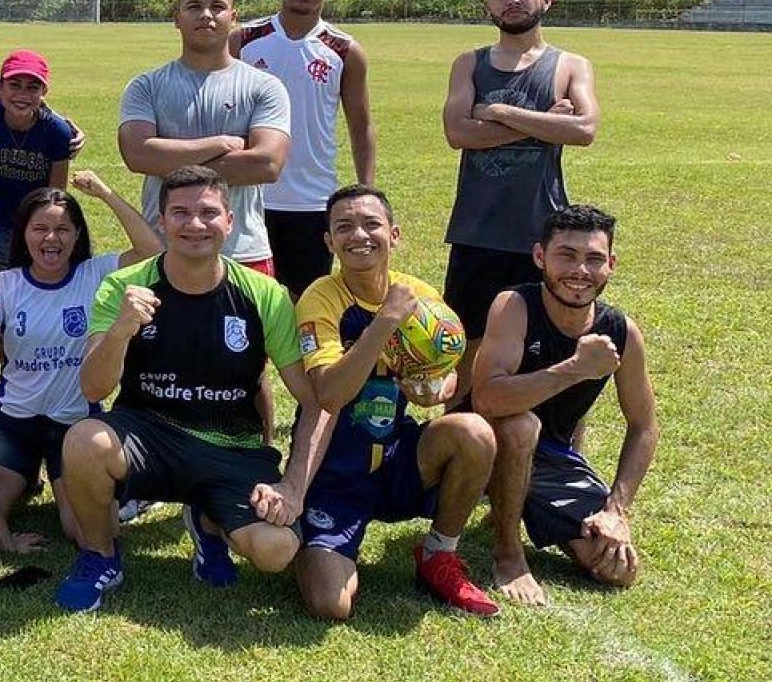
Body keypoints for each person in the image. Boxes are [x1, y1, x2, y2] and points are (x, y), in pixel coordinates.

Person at [57, 167, 324, 611]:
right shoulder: (125, 286)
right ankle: (100, 557)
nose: (194, 224)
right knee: (84, 441)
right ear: (161, 221)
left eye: (208, 212)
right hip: (149, 435)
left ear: (230, 221)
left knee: (276, 551)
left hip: (230, 446)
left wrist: (293, 485)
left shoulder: (265, 294)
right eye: (180, 212)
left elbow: (314, 401)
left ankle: (207, 518)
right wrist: (122, 329)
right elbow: (92, 385)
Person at [291, 185, 500, 620]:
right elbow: (329, 394)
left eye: (371, 224)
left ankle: (438, 553)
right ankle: (307, 537)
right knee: (332, 604)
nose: (358, 235)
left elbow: (448, 373)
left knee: (473, 432)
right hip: (335, 473)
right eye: (343, 227)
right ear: (329, 241)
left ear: (395, 234)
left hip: (397, 456)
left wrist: (435, 388)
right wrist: (385, 321)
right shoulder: (321, 298)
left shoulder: (418, 293)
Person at [0, 174, 162, 553]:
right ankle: (22, 474)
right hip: (15, 422)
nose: (51, 239)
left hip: (73, 427)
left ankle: (127, 490)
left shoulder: (95, 274)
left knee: (86, 534)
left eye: (63, 229)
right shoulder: (7, 284)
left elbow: (152, 250)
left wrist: (105, 192)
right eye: (40, 229)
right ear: (24, 234)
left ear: (77, 235)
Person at [470, 204, 656, 607]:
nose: (579, 271)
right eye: (566, 256)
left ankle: (518, 503)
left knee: (615, 567)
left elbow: (643, 426)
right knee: (521, 426)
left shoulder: (621, 331)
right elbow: (487, 399)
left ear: (611, 264)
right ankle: (508, 554)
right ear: (540, 257)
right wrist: (574, 369)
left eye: (593, 259)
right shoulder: (514, 306)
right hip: (481, 447)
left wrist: (616, 511)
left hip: (551, 458)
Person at [442, 0, 599, 400]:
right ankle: (460, 449)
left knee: (548, 349)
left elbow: (584, 129)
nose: (513, 1)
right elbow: (458, 133)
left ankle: (556, 454)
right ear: (488, 5)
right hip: (477, 231)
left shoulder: (570, 65)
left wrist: (498, 112)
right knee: (465, 348)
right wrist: (543, 121)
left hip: (539, 233)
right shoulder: (468, 64)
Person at [118, 0, 291, 277]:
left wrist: (169, 162)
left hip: (243, 250)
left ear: (234, 17)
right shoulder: (146, 86)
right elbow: (137, 154)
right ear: (176, 17)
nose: (206, 15)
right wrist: (219, 145)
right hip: (164, 248)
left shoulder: (264, 86)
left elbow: (267, 164)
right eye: (194, 7)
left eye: (217, 7)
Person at [233, 0, 376, 297]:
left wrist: (367, 189)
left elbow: (360, 125)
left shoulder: (344, 50)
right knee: (244, 299)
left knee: (303, 303)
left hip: (311, 200)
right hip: (248, 194)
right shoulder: (244, 39)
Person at [0, 50, 79, 271]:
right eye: (14, 85)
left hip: (39, 222)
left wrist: (47, 229)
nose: (22, 95)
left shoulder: (55, 131)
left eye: (33, 87)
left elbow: (56, 191)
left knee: (40, 274)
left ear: (44, 91)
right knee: (7, 277)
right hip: (1, 219)